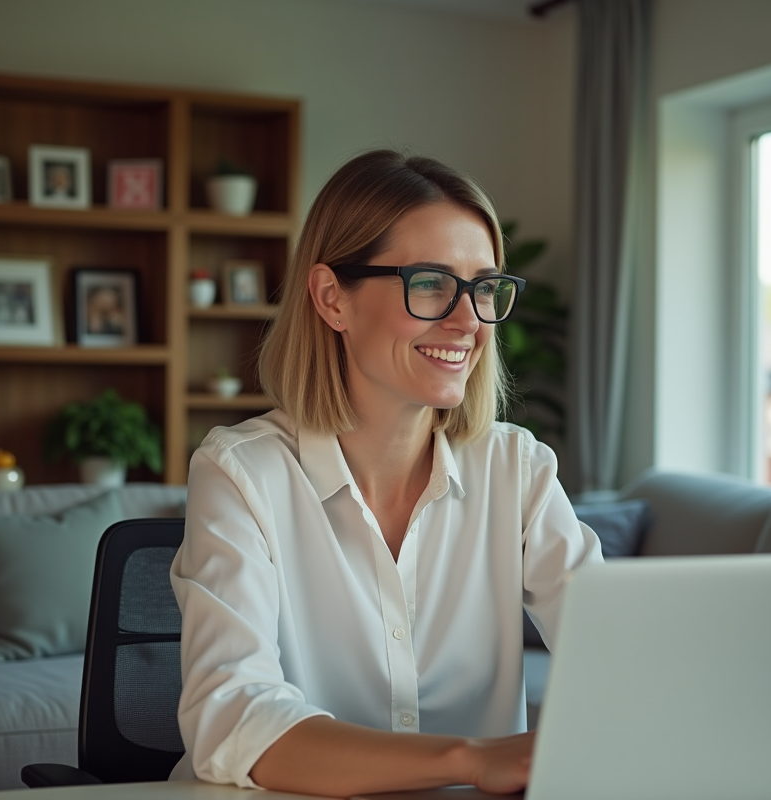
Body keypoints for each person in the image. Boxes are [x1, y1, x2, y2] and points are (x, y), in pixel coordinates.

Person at [170, 149, 602, 797]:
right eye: (430, 282)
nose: (468, 321)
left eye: (484, 287)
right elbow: (234, 718)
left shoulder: (518, 469)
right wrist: (467, 760)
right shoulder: (240, 473)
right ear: (330, 298)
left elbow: (622, 661)